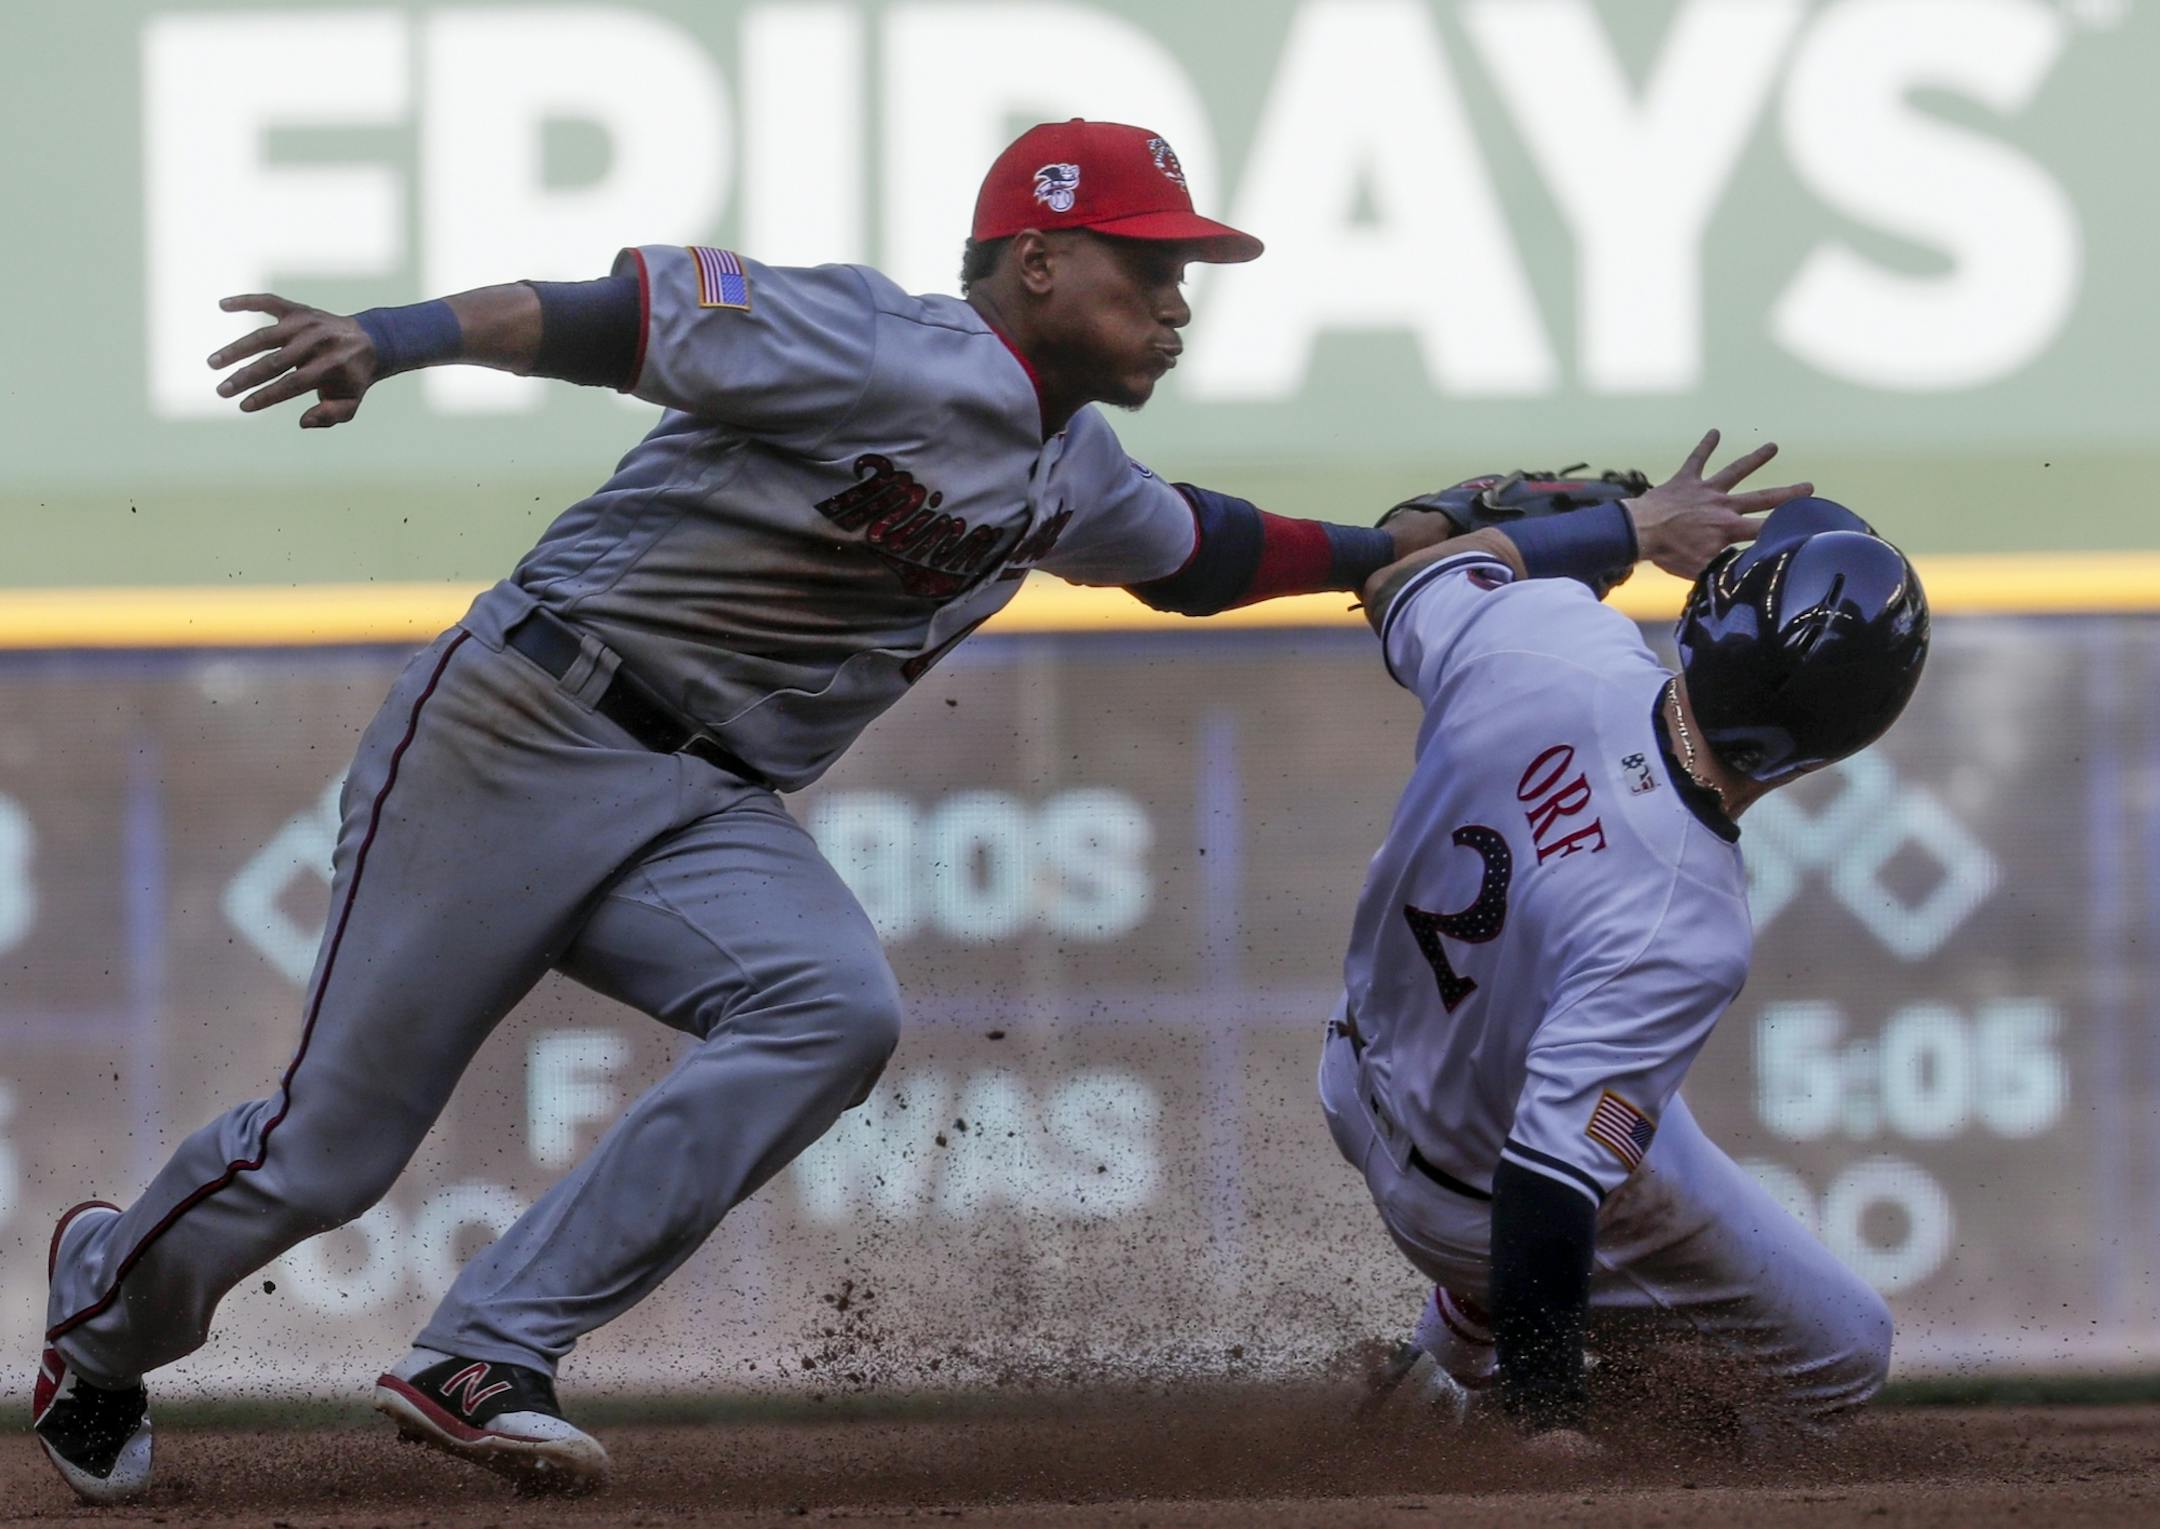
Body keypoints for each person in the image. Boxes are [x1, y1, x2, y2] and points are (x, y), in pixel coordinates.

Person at [32, 114, 1801, 1503]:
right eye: (1148, 268)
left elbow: (1272, 558)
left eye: (1185, 274)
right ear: (1036, 261)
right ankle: (106, 1302)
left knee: (829, 1007)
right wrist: (386, 339)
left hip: (698, 794)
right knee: (334, 1148)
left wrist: (1603, 540)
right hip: (523, 722)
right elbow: (601, 318)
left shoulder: (1074, 469)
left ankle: (486, 1350)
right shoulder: (876, 345)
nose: (1177, 301)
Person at [1325, 468, 1929, 1453]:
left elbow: (1399, 570)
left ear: (1708, 609)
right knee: (1843, 1354)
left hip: (1357, 1075)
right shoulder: (1686, 919)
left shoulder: (1555, 635)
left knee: (1598, 1064)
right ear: (1825, 752)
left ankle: (1455, 1342)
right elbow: (1546, 1181)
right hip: (1471, 1197)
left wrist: (1619, 530)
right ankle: (1488, 1391)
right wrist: (1549, 1420)